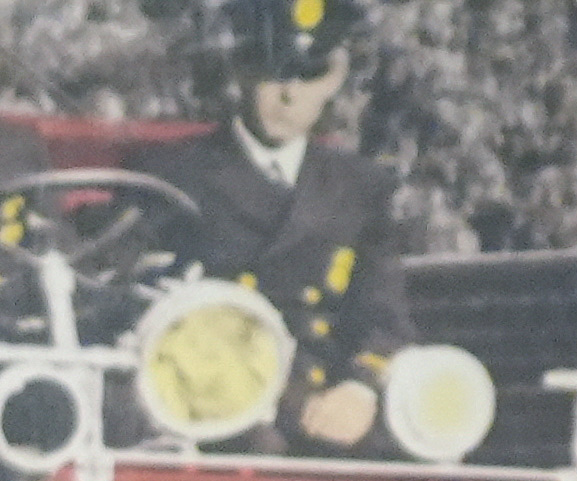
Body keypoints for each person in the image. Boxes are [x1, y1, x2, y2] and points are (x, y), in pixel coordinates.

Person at [153, 0, 409, 449]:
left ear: (333, 80)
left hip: (331, 399)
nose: (290, 95)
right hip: (221, 402)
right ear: (241, 70)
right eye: (274, 72)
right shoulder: (174, 176)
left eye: (308, 75)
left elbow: (383, 310)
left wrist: (359, 387)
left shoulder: (360, 186)